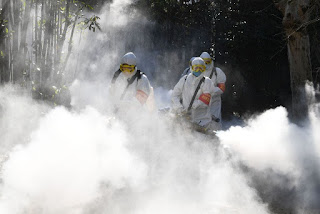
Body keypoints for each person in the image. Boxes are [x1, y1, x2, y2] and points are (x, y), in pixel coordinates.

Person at [171, 57, 216, 132]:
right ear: (192, 68)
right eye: (196, 68)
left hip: (202, 119)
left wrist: (194, 105)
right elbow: (175, 95)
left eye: (201, 68)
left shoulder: (207, 82)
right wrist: (179, 108)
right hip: (186, 119)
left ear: (204, 69)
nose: (198, 70)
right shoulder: (185, 79)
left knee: (202, 141)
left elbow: (206, 99)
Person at [200, 51, 226, 130]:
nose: (206, 64)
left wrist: (211, 91)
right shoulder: (196, 71)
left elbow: (222, 88)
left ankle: (215, 139)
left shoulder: (217, 72)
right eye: (204, 62)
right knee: (200, 123)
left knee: (215, 122)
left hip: (214, 101)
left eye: (208, 62)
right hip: (200, 101)